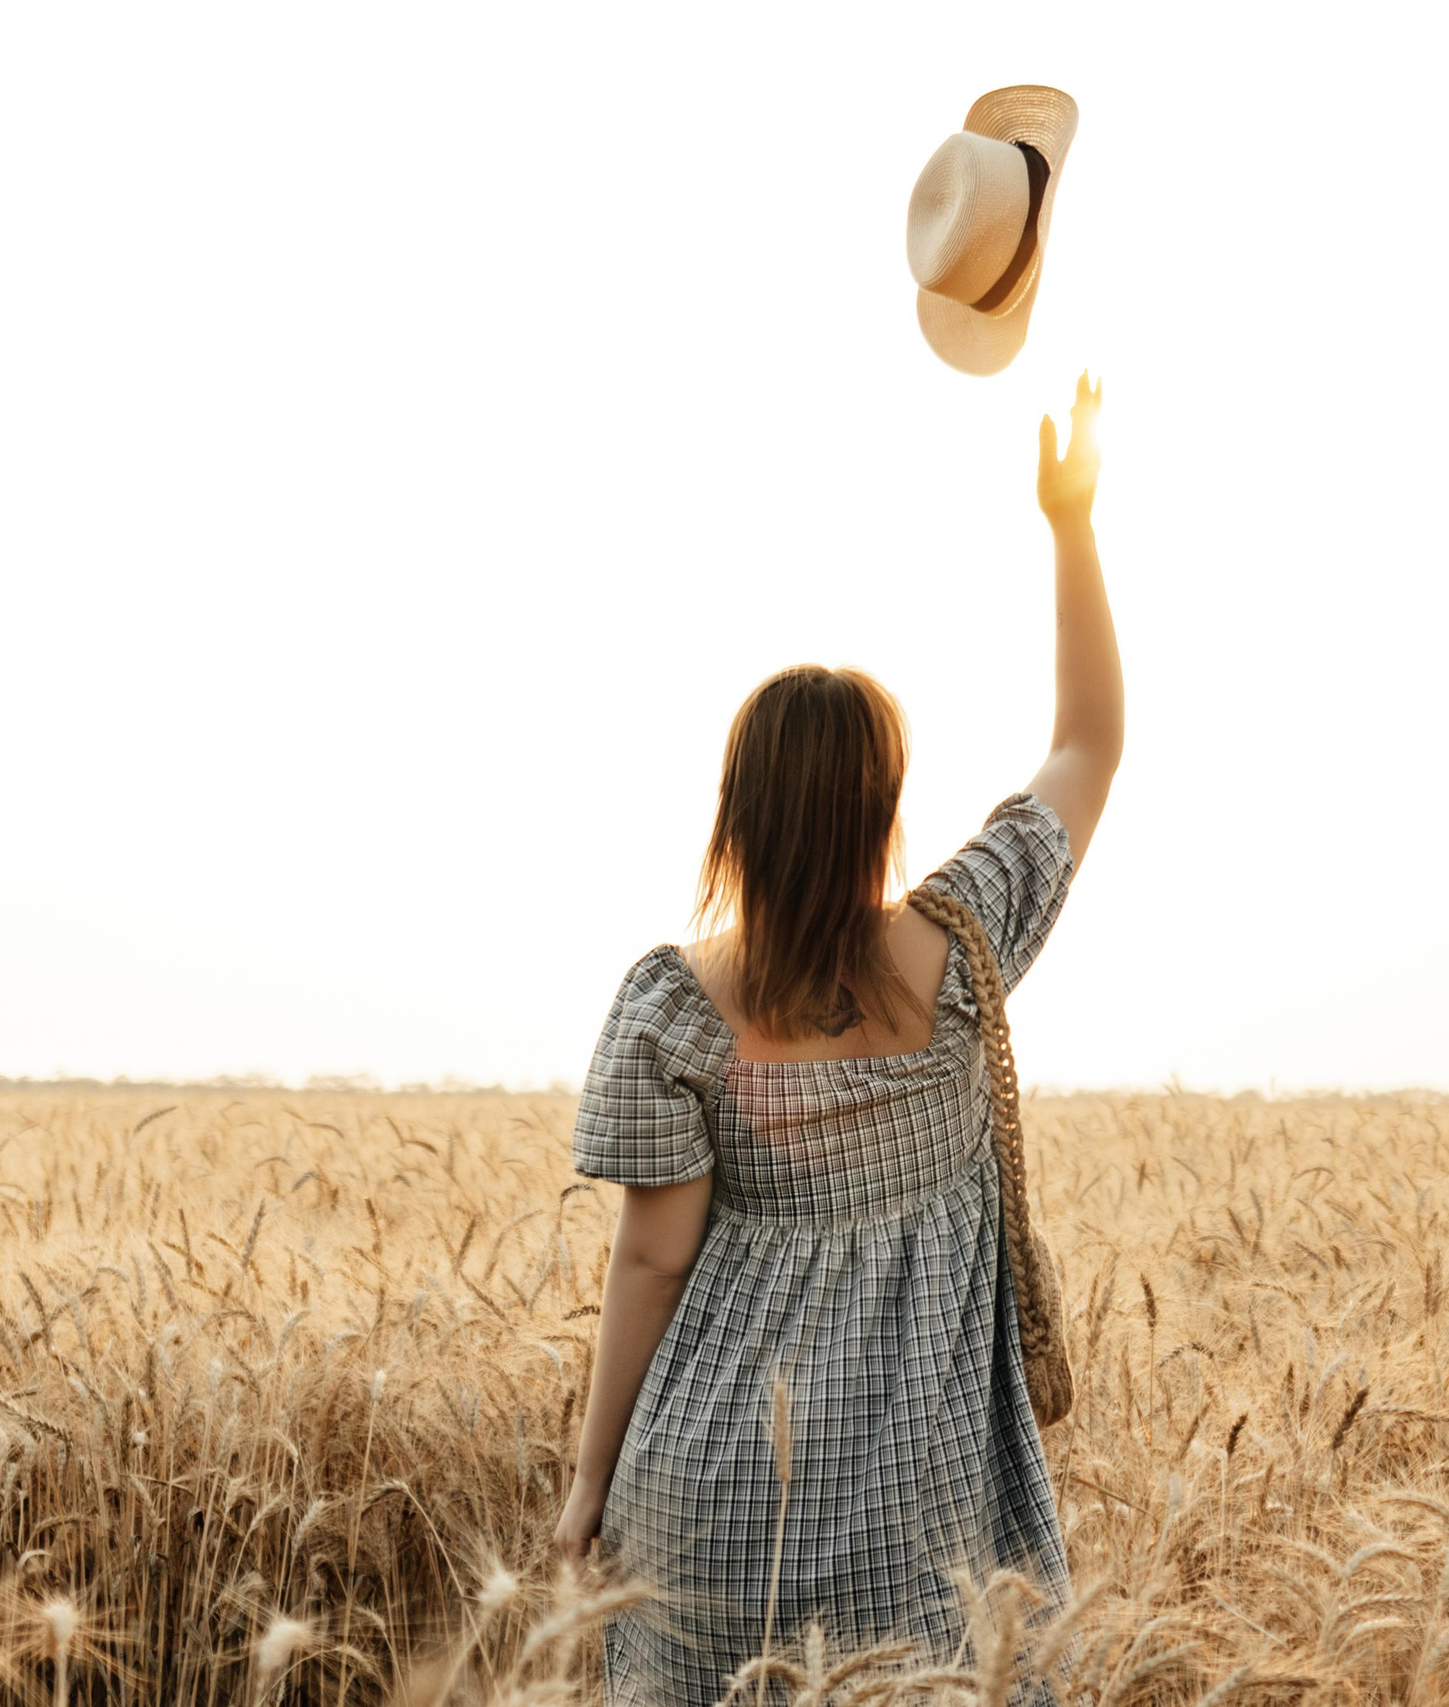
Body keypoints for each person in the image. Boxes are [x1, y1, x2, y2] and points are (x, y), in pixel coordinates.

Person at [554, 372, 1120, 1703]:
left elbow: (650, 1258)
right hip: (919, 1533)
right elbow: (1090, 744)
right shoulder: (965, 953)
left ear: (734, 814)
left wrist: (589, 1488)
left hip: (708, 1515)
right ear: (886, 809)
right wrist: (1072, 524)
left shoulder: (675, 1006)